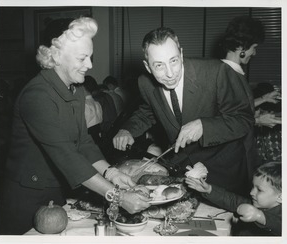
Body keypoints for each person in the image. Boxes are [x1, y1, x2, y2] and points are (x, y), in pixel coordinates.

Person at [0, 17, 150, 235]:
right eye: (82, 58)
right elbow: (67, 156)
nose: (90, 65)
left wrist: (111, 172)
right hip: (27, 200)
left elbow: (84, 142)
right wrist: (119, 197)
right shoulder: (37, 96)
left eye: (90, 57)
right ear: (56, 56)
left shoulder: (75, 91)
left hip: (57, 192)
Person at [113, 27, 256, 195]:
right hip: (182, 171)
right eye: (159, 65)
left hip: (223, 172)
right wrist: (128, 129)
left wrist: (204, 126)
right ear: (148, 67)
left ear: (181, 54)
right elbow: (148, 111)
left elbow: (244, 120)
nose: (170, 73)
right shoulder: (144, 82)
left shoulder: (217, 72)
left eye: (174, 61)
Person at [185, 161, 282, 236]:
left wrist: (260, 216)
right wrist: (209, 190)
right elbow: (232, 200)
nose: (251, 192)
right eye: (253, 187)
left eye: (259, 190)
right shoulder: (257, 203)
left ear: (281, 197)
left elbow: (279, 225)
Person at [219, 15, 281, 128]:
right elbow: (224, 120)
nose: (254, 53)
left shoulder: (233, 71)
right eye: (254, 47)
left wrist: (264, 98)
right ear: (242, 47)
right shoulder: (224, 74)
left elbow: (237, 107)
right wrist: (257, 120)